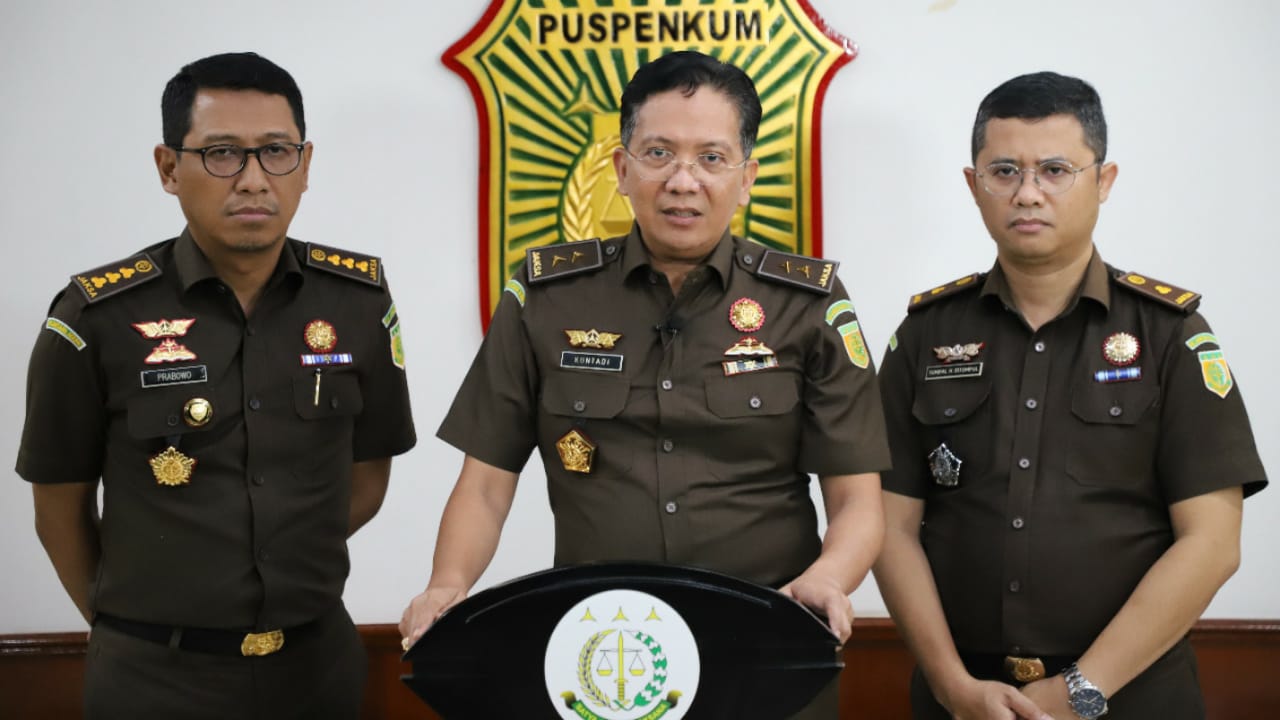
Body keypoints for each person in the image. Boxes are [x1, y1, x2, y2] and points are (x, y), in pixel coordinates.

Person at [399, 50, 889, 719]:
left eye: (711, 158)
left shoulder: (808, 303)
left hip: (766, 646)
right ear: (622, 170)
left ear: (746, 177)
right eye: (659, 153)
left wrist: (828, 580)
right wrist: (446, 584)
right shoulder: (545, 297)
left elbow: (858, 499)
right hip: (599, 657)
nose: (683, 181)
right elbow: (485, 484)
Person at [16, 52, 416, 719]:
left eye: (276, 152)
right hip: (154, 682)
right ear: (169, 168)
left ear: (305, 164)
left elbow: (368, 477)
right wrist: (135, 621)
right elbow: (58, 507)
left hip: (317, 668)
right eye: (222, 153)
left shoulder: (357, 302)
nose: (254, 180)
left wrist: (272, 554)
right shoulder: (96, 317)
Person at [872, 71, 1268, 720]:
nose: (1027, 193)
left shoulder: (1170, 335)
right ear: (973, 185)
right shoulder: (925, 336)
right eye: (1004, 171)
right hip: (965, 697)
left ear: (1103, 181)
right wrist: (951, 685)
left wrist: (1081, 690)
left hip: (1132, 694)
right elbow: (888, 527)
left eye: (1055, 170)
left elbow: (1213, 541)